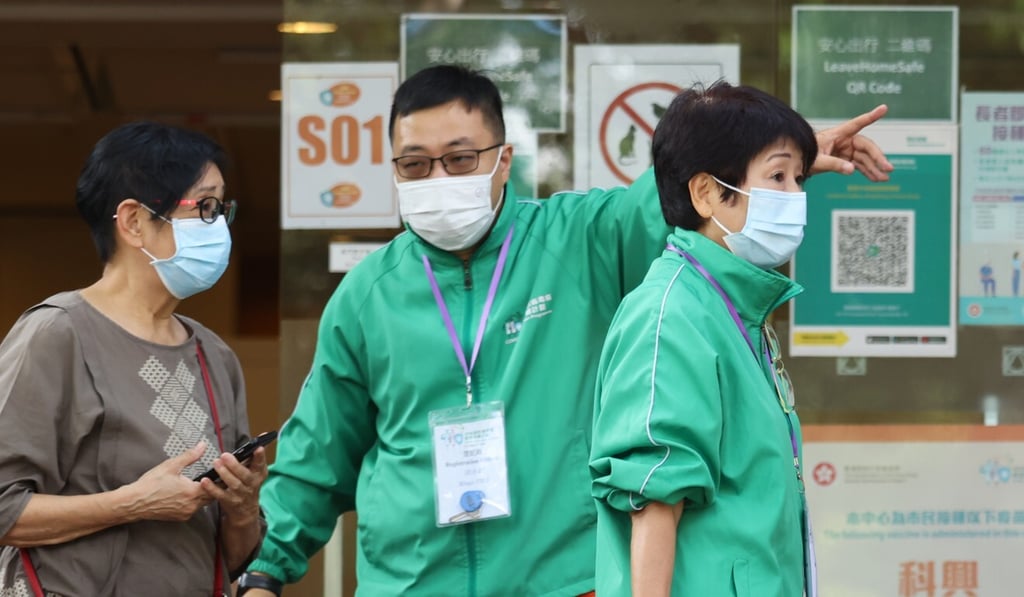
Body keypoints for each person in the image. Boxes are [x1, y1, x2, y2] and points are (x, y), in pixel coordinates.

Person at [240, 65, 892, 596]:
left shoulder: (578, 238)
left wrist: (784, 152)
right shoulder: (366, 295)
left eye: (459, 158)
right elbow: (318, 454)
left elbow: (674, 192)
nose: (438, 179)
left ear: (503, 160)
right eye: (415, 165)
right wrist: (265, 569)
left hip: (565, 581)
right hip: (412, 585)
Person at [0, 122, 268, 595]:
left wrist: (243, 509)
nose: (220, 226)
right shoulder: (57, 333)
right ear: (133, 221)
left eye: (223, 208)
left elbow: (231, 558)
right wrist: (134, 503)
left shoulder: (214, 356)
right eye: (204, 207)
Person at [589, 81, 827, 596]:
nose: (796, 197)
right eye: (778, 176)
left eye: (799, 178)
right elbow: (654, 494)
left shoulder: (733, 305)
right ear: (706, 192)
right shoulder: (672, 313)